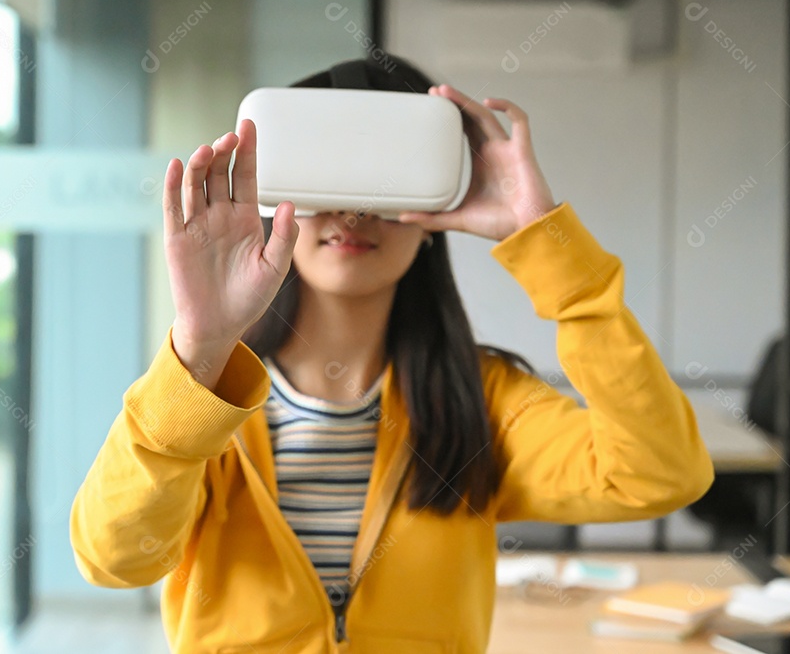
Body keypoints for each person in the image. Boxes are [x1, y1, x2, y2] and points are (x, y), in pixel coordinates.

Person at [69, 54, 715, 653]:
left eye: (383, 180)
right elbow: (113, 557)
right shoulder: (204, 404)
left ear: (433, 207)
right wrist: (199, 351)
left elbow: (660, 472)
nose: (353, 211)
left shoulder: (481, 402)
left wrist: (544, 245)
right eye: (329, 173)